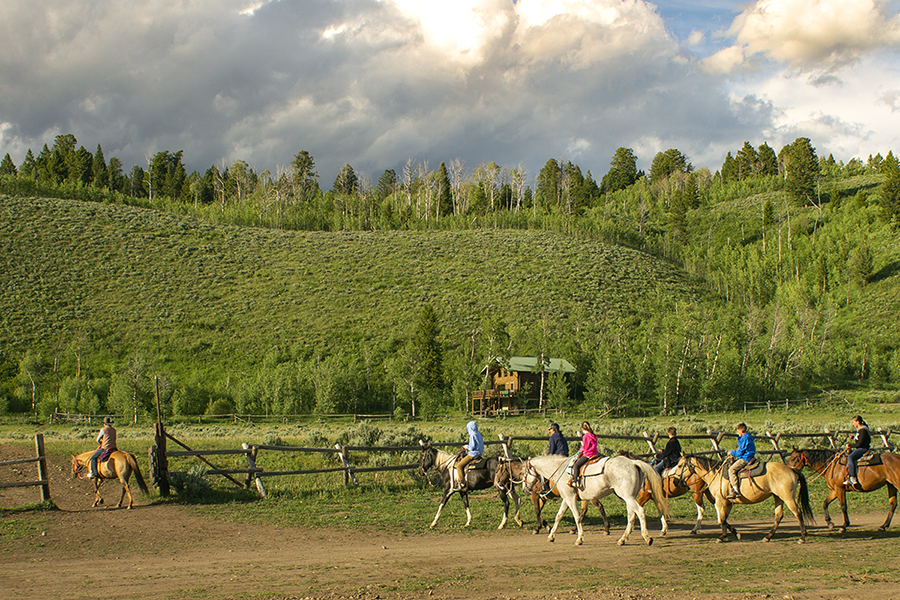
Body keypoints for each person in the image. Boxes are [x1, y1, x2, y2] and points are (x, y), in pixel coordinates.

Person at [727, 422, 755, 499]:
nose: (737, 433)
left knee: (731, 470)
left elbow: (740, 452)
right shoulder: (748, 437)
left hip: (746, 458)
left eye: (738, 431)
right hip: (749, 456)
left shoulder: (745, 438)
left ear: (742, 430)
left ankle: (736, 491)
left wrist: (731, 452)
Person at [454, 420, 484, 491]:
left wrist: (466, 447)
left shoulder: (472, 435)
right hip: (480, 454)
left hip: (473, 455)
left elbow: (472, 447)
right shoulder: (479, 435)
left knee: (459, 466)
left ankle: (462, 483)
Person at [569, 421, 598, 487]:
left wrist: (579, 450)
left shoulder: (586, 436)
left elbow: (585, 447)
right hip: (595, 452)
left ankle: (575, 481)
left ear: (582, 429)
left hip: (588, 454)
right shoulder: (594, 435)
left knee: (576, 465)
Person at [844, 415, 871, 488]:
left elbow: (860, 443)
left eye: (854, 422)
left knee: (850, 457)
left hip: (863, 448)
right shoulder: (861, 430)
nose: (853, 424)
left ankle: (852, 477)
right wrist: (853, 438)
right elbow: (859, 440)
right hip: (861, 447)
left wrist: (850, 446)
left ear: (857, 422)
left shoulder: (863, 430)